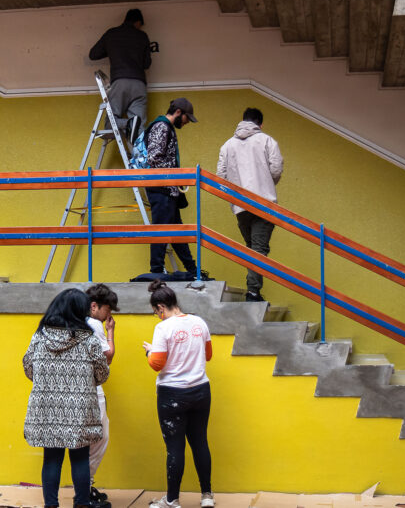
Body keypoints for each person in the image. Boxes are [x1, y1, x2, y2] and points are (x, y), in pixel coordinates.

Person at [24, 288, 110, 508]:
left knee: (51, 458)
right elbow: (102, 375)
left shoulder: (39, 337)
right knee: (80, 457)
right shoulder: (89, 341)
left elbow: (28, 368)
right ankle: (81, 503)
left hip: (47, 409)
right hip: (79, 410)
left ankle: (51, 505)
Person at [143, 280, 215, 508]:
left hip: (172, 394)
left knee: (175, 447)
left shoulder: (163, 328)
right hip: (201, 390)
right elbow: (208, 355)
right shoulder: (199, 322)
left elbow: (157, 364)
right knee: (200, 442)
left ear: (161, 307)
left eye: (156, 312)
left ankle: (172, 499)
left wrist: (149, 352)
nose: (157, 316)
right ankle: (207, 495)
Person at [216, 107, 284, 302]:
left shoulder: (227, 146)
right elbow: (276, 169)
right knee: (258, 249)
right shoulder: (267, 141)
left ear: (243, 121)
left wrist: (234, 195)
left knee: (251, 247)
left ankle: (253, 290)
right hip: (264, 203)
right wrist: (266, 182)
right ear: (260, 124)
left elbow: (220, 176)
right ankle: (253, 292)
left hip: (240, 205)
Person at [145, 98, 200, 275]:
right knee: (161, 230)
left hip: (168, 189)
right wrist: (175, 174)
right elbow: (153, 158)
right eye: (186, 118)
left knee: (177, 232)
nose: (186, 122)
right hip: (161, 187)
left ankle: (192, 270)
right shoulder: (162, 127)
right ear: (178, 112)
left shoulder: (166, 127)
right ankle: (156, 271)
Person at [89, 8, 152, 143]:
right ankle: (138, 154)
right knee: (139, 127)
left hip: (120, 82)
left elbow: (93, 54)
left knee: (110, 123)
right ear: (138, 22)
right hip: (139, 84)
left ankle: (128, 123)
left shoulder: (111, 34)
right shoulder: (142, 36)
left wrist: (112, 51)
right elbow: (147, 64)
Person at [85, 284, 118, 507]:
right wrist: (111, 331)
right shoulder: (95, 324)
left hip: (79, 388)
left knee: (89, 440)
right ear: (94, 306)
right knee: (100, 436)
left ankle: (85, 487)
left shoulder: (77, 321)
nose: (109, 314)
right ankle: (85, 487)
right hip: (92, 388)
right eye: (108, 309)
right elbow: (108, 356)